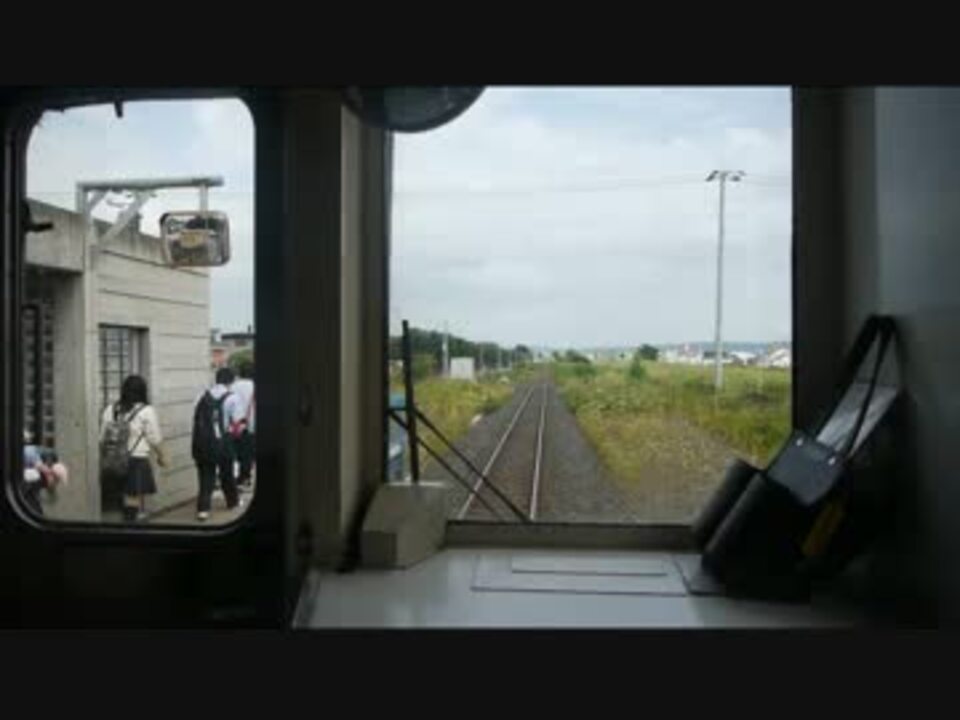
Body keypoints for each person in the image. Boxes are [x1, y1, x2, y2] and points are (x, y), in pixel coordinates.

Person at [99, 375, 167, 523]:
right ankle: (131, 526)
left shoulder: (110, 409)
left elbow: (102, 437)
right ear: (143, 391)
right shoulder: (146, 411)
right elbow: (154, 438)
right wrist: (162, 456)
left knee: (116, 499)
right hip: (136, 459)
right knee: (132, 498)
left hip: (112, 460)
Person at [192, 367, 244, 521]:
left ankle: (203, 509)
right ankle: (232, 502)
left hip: (202, 442)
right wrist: (234, 437)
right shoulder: (233, 398)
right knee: (227, 474)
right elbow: (239, 424)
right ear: (231, 381)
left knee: (205, 476)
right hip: (224, 443)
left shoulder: (201, 396)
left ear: (216, 379)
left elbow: (196, 418)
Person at [231, 359, 255, 490]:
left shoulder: (232, 386)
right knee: (247, 454)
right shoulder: (255, 386)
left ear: (240, 372)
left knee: (235, 453)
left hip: (234, 426)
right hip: (249, 426)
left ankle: (234, 477)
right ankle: (245, 478)